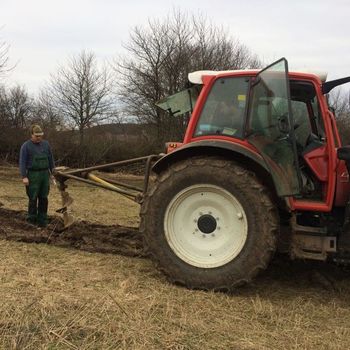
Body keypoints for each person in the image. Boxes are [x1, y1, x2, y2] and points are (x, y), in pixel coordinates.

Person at [19, 124, 55, 227]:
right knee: (33, 197)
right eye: (36, 136)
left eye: (40, 136)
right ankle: (31, 220)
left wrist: (53, 173)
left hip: (45, 175)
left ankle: (42, 220)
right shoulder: (26, 146)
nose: (39, 138)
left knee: (44, 197)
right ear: (31, 135)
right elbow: (22, 162)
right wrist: (24, 176)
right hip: (33, 175)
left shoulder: (46, 145)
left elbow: (50, 160)